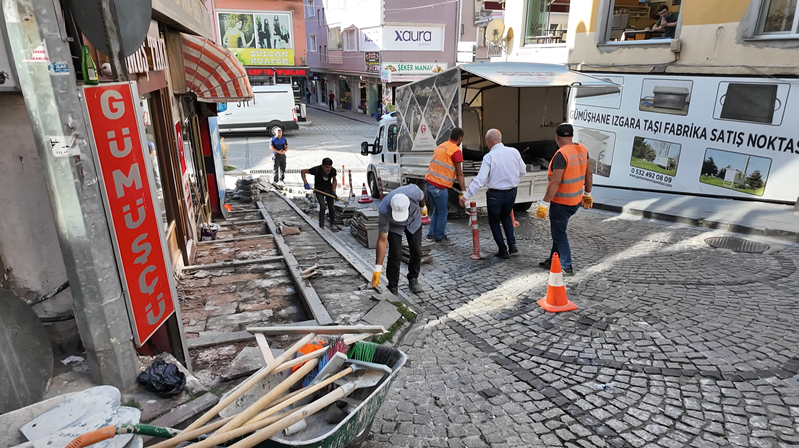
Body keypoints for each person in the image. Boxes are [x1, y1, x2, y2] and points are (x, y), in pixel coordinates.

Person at [459, 129, 526, 259]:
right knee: (506, 216)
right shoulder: (514, 152)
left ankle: (503, 250)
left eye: (486, 141)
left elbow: (480, 179)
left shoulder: (489, 157)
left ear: (490, 141)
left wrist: (466, 196)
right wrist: (512, 178)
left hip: (496, 194)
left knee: (494, 221)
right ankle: (512, 245)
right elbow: (523, 171)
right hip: (512, 191)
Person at [536, 123, 593, 275]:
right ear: (572, 136)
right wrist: (587, 194)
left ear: (557, 137)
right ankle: (552, 259)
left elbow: (556, 181)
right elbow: (589, 174)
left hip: (561, 202)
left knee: (559, 234)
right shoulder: (582, 150)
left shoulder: (562, 155)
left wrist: (544, 203)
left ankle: (566, 266)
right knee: (558, 230)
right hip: (575, 200)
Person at [371, 184, 427, 295]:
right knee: (395, 254)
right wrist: (378, 268)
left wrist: (423, 208)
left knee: (416, 251)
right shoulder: (384, 210)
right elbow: (382, 240)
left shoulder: (414, 191)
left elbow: (422, 198)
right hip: (395, 225)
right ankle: (392, 285)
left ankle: (413, 278)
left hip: (413, 221)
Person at [424, 127, 466, 243]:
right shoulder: (456, 151)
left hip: (429, 183)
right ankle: (440, 236)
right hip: (439, 187)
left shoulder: (441, 146)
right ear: (460, 138)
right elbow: (459, 174)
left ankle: (431, 234)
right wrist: (463, 191)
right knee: (443, 212)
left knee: (436, 210)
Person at [301, 158, 341, 231]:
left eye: (330, 167)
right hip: (319, 190)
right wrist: (305, 182)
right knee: (322, 206)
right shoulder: (316, 170)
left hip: (328, 190)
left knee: (331, 207)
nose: (328, 169)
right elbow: (303, 171)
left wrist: (334, 191)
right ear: (323, 166)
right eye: (327, 167)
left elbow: (334, 180)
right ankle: (321, 225)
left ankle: (333, 224)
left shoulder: (332, 171)